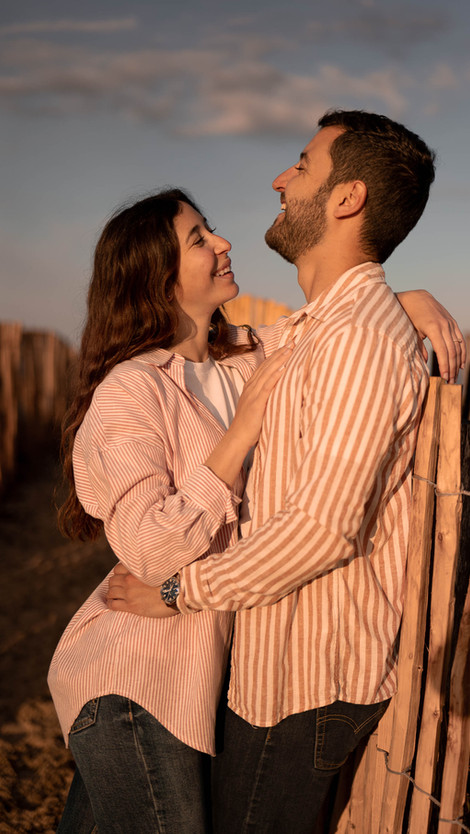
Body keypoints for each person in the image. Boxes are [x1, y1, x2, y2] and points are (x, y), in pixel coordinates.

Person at [107, 110, 467, 834]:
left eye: (301, 165)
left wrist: (177, 592)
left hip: (305, 683)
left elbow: (322, 530)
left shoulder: (358, 340)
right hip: (274, 666)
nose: (279, 178)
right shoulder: (317, 330)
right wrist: (402, 297)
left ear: (347, 199)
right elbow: (225, 345)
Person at [48, 187, 295, 834]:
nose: (224, 243)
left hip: (184, 685)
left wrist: (410, 300)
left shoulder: (242, 358)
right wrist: (238, 437)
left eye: (211, 229)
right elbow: (150, 548)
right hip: (136, 685)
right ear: (159, 278)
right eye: (198, 239)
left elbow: (329, 330)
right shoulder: (131, 389)